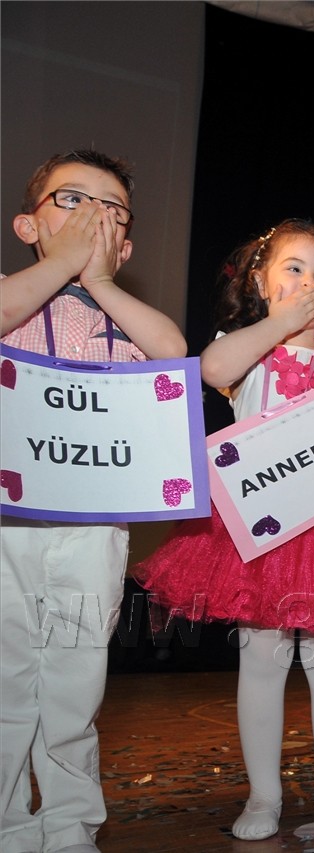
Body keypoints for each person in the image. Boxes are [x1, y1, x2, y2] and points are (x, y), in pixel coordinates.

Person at [134, 219, 314, 841]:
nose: (310, 281)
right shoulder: (248, 351)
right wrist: (280, 322)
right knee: (262, 663)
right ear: (262, 283)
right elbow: (211, 367)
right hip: (262, 534)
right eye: (294, 268)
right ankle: (263, 796)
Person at [1, 149, 186, 853]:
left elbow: (172, 352)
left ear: (125, 243)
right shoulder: (12, 294)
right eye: (71, 200)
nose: (91, 216)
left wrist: (100, 280)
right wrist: (61, 266)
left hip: (94, 529)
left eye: (111, 209)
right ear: (29, 226)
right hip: (10, 526)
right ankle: (9, 824)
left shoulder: (124, 321)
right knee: (7, 678)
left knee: (75, 681)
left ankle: (71, 823)